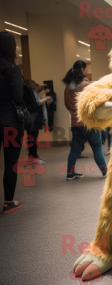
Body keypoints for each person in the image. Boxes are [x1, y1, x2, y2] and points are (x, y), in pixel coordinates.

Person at [63, 60, 107, 180]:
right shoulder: (86, 85)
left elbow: (67, 105)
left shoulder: (67, 87)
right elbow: (95, 103)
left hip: (75, 124)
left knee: (74, 150)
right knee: (97, 149)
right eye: (86, 68)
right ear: (82, 69)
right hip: (89, 123)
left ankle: (70, 172)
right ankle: (105, 172)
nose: (87, 71)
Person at [0, 31, 24, 214]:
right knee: (10, 163)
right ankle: (8, 202)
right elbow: (17, 96)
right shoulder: (12, 68)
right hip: (10, 124)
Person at [24, 80, 52, 164]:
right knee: (32, 139)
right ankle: (32, 156)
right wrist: (46, 98)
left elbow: (39, 102)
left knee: (33, 138)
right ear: (29, 84)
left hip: (33, 119)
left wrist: (46, 101)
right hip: (32, 119)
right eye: (33, 83)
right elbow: (37, 103)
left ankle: (33, 155)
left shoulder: (32, 92)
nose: (35, 84)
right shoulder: (29, 92)